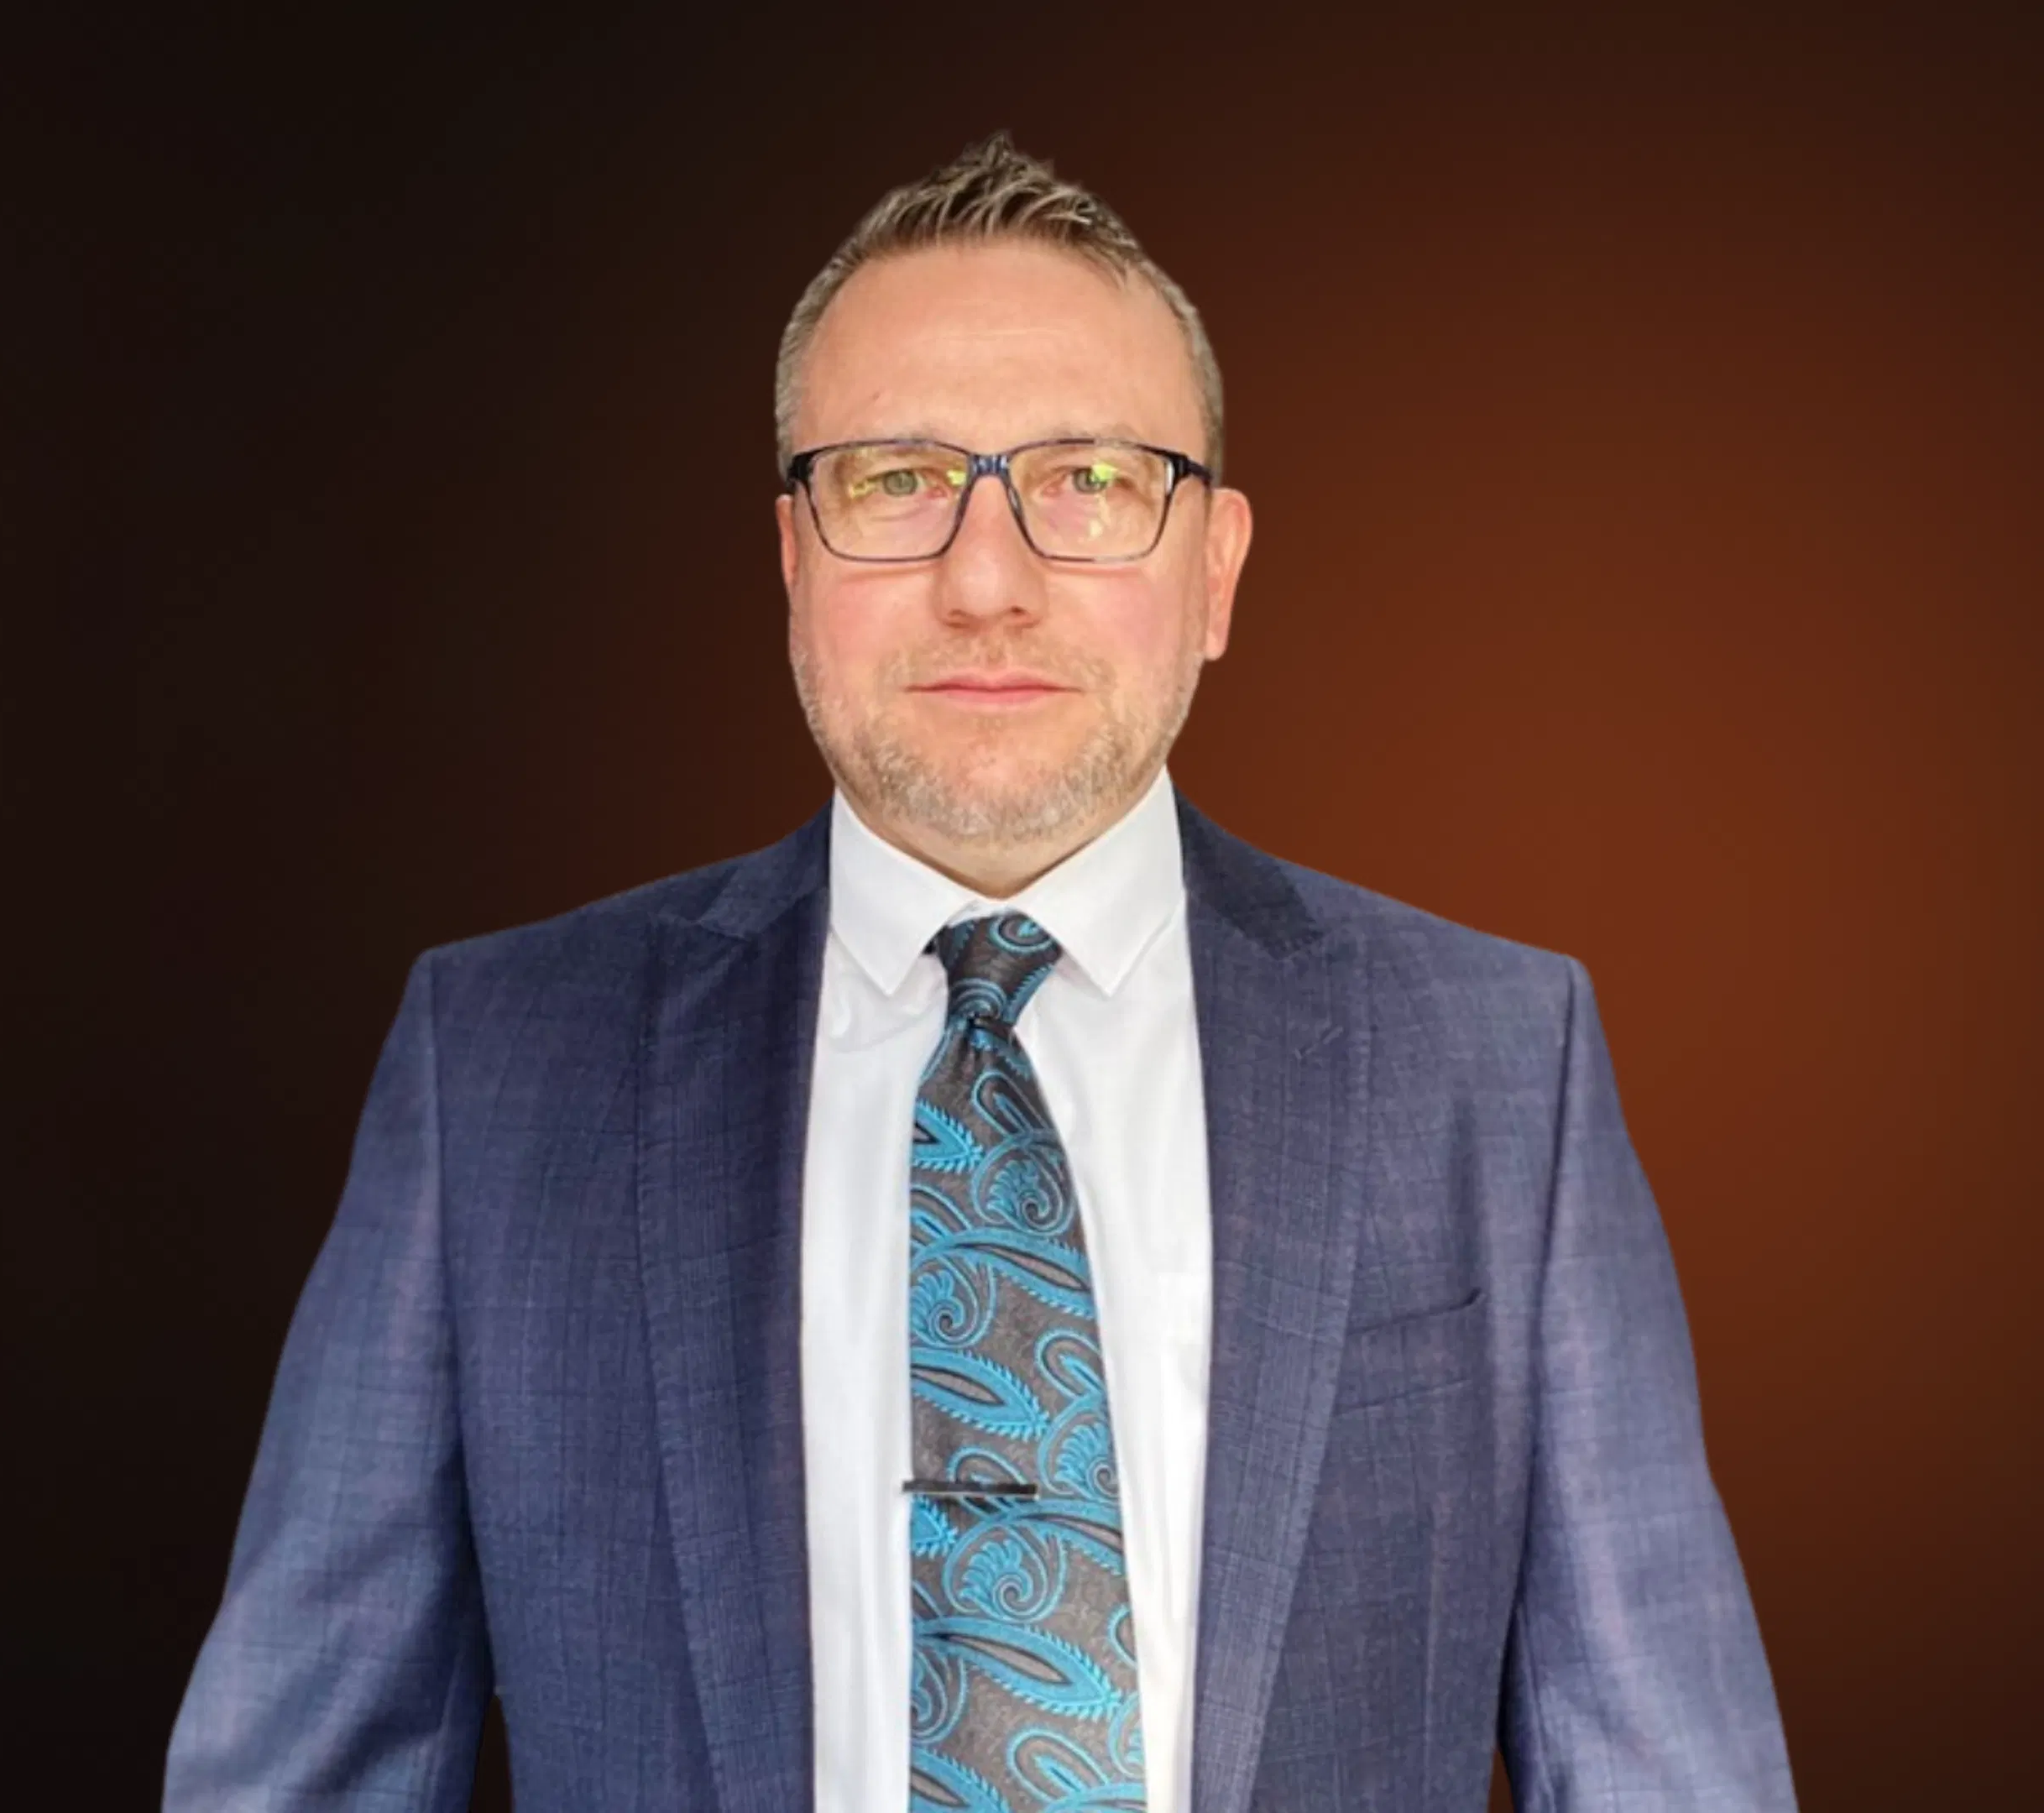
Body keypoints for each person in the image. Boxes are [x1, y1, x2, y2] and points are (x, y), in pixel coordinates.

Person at [161, 134, 1792, 1813]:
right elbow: (299, 1773)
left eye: (1090, 481)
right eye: (895, 480)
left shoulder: (1502, 1064)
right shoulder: (499, 1068)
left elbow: (1673, 1772)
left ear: (1215, 571)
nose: (988, 579)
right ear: (792, 562)